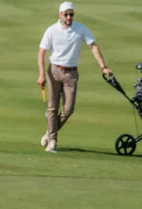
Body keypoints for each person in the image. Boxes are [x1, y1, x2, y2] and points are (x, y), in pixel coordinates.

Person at [36, 2, 113, 153]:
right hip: (54, 70)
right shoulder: (51, 30)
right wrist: (41, 74)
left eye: (71, 14)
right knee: (52, 108)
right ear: (60, 15)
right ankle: (52, 141)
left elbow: (93, 46)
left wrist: (103, 67)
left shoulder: (80, 28)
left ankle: (50, 131)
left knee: (69, 109)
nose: (69, 17)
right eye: (66, 14)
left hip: (71, 73)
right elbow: (41, 52)